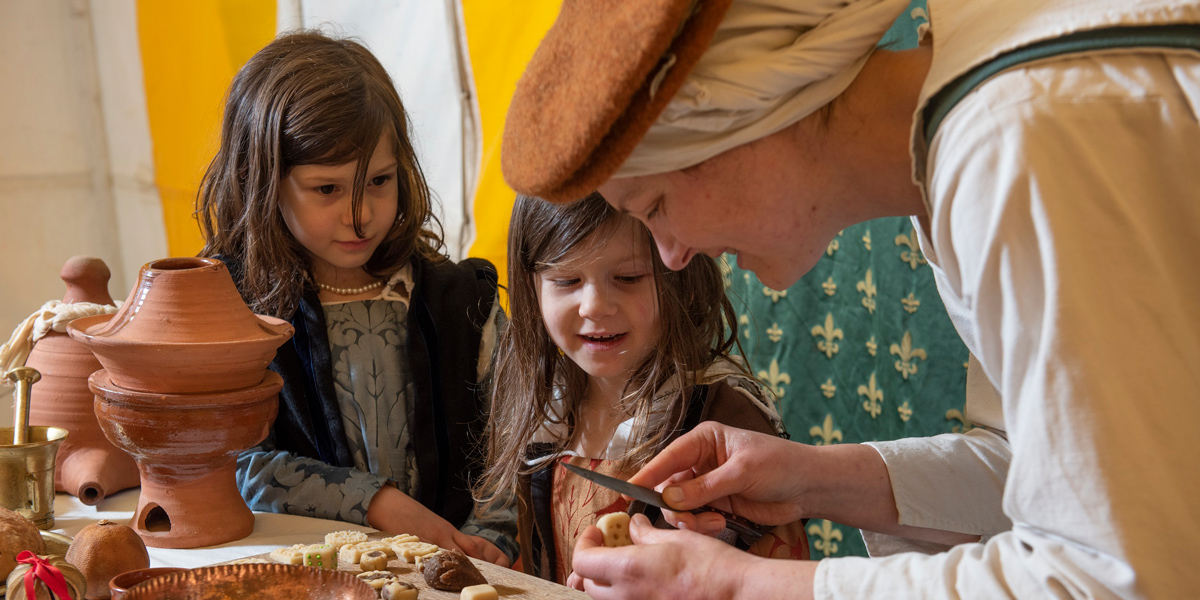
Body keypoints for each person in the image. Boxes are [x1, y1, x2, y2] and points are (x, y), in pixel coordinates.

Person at [498, 0, 1200, 597]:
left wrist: (742, 583)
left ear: (743, 115)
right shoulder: (972, 137)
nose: (673, 254)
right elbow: (1050, 469)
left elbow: (1112, 575)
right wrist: (812, 479)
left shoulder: (1013, 143)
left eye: (655, 206)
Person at [196, 31, 515, 566]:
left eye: (379, 181)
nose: (359, 214)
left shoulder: (462, 302)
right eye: (328, 189)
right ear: (262, 180)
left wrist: (492, 538)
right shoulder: (234, 313)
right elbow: (233, 466)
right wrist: (380, 504)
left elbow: (515, 437)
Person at [472, 192, 808, 584]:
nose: (594, 306)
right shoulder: (548, 412)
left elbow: (780, 578)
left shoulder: (725, 419)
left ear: (684, 276)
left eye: (628, 277)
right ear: (532, 288)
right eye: (566, 280)